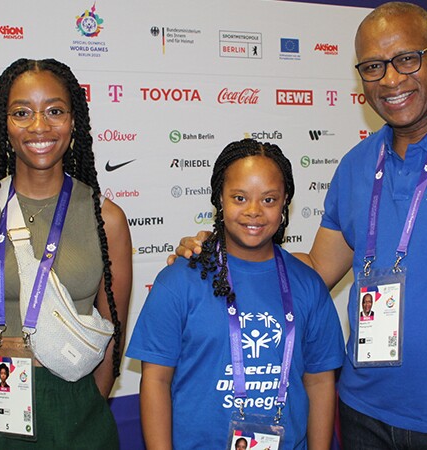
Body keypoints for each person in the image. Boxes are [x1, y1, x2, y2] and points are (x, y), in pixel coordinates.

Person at [170, 3, 427, 449]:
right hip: (362, 414)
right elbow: (314, 270)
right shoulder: (356, 167)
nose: (391, 79)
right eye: (373, 67)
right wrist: (222, 256)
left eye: (407, 59)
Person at [0, 58, 131, 449]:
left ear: (74, 121)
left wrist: (90, 397)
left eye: (54, 111)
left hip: (74, 399)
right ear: (2, 125)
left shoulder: (106, 218)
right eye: (22, 112)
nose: (39, 126)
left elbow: (113, 331)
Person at [129, 139, 345, 450]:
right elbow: (156, 380)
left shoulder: (307, 285)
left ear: (285, 202)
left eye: (269, 199)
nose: (254, 211)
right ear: (219, 198)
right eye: (240, 198)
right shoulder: (178, 282)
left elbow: (320, 381)